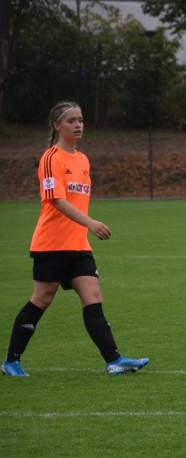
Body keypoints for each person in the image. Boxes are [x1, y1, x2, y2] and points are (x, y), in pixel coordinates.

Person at [1, 101, 149, 377]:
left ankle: (114, 360)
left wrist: (86, 229)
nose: (78, 125)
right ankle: (11, 361)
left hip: (78, 245)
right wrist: (91, 223)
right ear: (57, 126)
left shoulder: (82, 159)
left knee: (93, 297)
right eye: (71, 121)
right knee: (41, 300)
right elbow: (57, 201)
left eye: (80, 120)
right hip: (52, 245)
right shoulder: (51, 158)